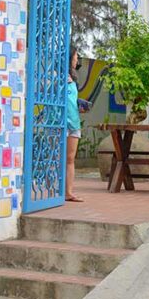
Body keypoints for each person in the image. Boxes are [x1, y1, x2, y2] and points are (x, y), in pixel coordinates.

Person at [65, 47, 84, 203]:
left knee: (70, 159)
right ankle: (55, 192)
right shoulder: (57, 75)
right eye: (76, 56)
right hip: (60, 122)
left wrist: (80, 106)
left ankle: (69, 192)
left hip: (74, 121)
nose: (77, 59)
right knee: (57, 158)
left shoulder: (74, 77)